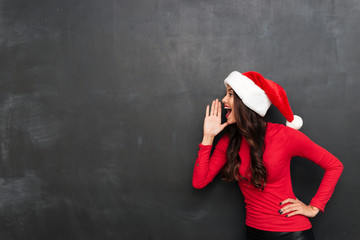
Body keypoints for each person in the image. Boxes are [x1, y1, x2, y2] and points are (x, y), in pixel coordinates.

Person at [192, 71, 344, 240]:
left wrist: (314, 207)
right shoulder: (230, 141)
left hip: (292, 233)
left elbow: (334, 165)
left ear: (246, 102)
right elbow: (199, 182)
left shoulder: (284, 136)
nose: (224, 100)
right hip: (254, 232)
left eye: (230, 94)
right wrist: (208, 137)